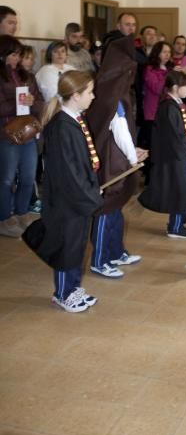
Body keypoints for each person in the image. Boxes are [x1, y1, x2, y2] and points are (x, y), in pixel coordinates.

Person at [22, 70, 103, 313]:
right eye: (90, 92)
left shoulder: (75, 119)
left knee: (77, 245)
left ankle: (73, 287)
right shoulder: (61, 128)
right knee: (67, 247)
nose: (94, 96)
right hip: (67, 202)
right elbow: (69, 173)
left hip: (76, 199)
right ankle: (63, 292)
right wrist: (90, 197)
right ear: (76, 95)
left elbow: (81, 164)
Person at [86, 35, 148, 278]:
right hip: (111, 161)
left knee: (116, 207)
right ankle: (100, 259)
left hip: (117, 158)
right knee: (106, 208)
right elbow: (120, 130)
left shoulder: (111, 88)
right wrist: (134, 158)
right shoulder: (112, 93)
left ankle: (116, 251)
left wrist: (133, 152)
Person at [138, 71, 186, 238]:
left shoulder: (175, 104)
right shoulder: (169, 107)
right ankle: (175, 228)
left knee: (180, 191)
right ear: (175, 87)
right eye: (185, 85)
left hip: (177, 156)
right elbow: (174, 136)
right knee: (179, 192)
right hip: (173, 158)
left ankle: (177, 225)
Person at [0, 36, 44, 237]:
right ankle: (4, 218)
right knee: (7, 179)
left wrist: (32, 101)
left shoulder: (28, 76)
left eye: (19, 54)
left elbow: (40, 104)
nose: (18, 58)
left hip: (27, 132)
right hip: (6, 133)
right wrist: (17, 102)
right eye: (14, 54)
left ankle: (22, 212)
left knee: (28, 176)